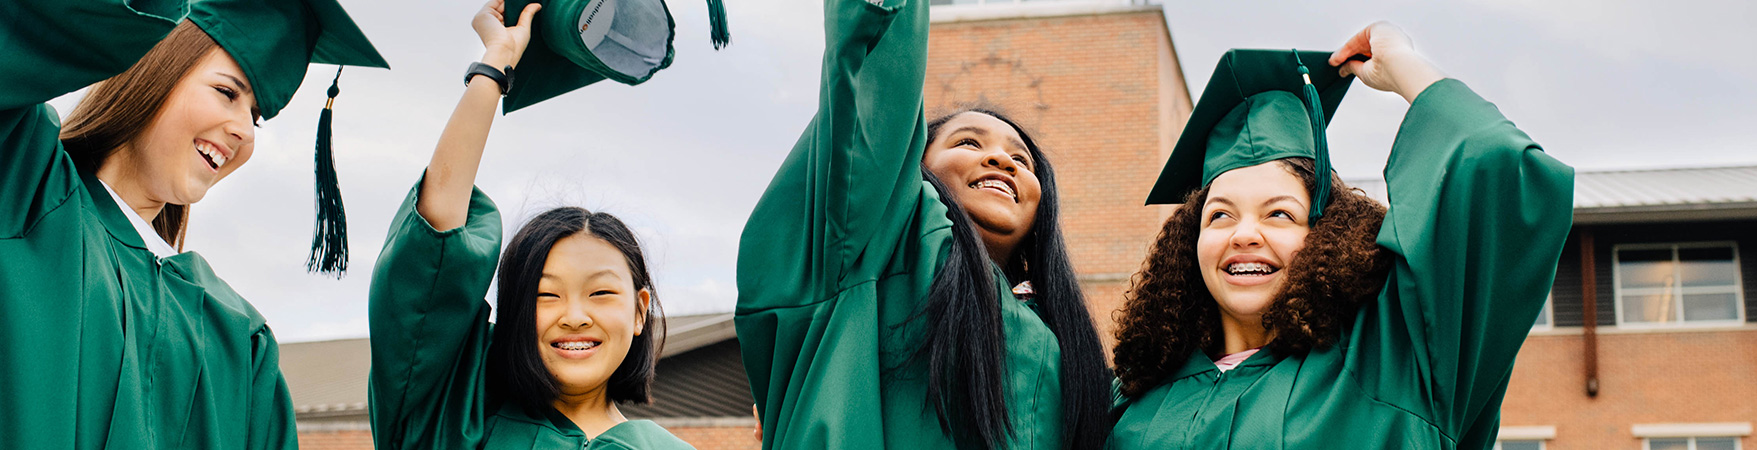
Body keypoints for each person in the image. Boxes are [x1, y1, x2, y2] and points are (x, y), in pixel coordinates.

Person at [1107, 22, 1576, 449]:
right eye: (1220, 216)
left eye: (1279, 215)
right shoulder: (1133, 398)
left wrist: (1400, 66)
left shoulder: (1399, 361)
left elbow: (1495, 164)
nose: (1244, 234)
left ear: (1325, 237)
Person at [0, 0, 386, 447]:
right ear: (154, 62)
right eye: (228, 93)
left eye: (257, 117)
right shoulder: (23, 185)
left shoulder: (239, 336)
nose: (245, 129)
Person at [733, 0, 1111, 449]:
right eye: (968, 142)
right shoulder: (879, 249)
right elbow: (877, 102)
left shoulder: (1065, 345)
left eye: (1021, 159)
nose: (1001, 160)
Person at [366, 1, 690, 449]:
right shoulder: (453, 422)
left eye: (600, 292)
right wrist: (496, 60)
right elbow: (433, 249)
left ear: (639, 310)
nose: (574, 317)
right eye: (544, 295)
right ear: (515, 312)